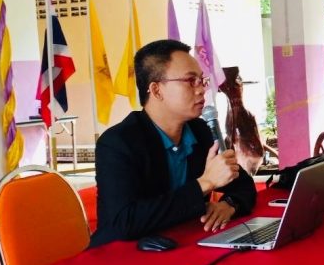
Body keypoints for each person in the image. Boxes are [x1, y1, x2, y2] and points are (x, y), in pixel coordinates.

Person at [92, 39, 257, 247]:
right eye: (190, 81)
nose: (201, 89)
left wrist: (229, 205)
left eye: (201, 80)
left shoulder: (200, 131)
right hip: (124, 255)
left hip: (184, 243)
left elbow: (243, 185)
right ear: (156, 90)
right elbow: (123, 222)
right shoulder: (118, 143)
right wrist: (205, 184)